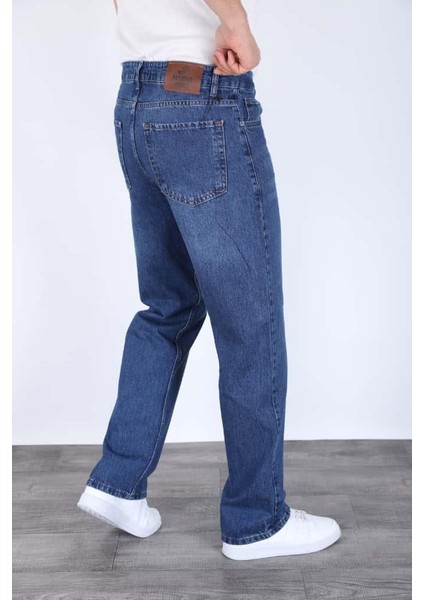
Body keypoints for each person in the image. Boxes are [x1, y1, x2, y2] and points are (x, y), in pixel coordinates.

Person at [77, 0, 341, 560]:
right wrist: (237, 23)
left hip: (136, 100)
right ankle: (257, 520)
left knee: (168, 307)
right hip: (203, 97)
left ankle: (118, 482)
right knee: (251, 323)